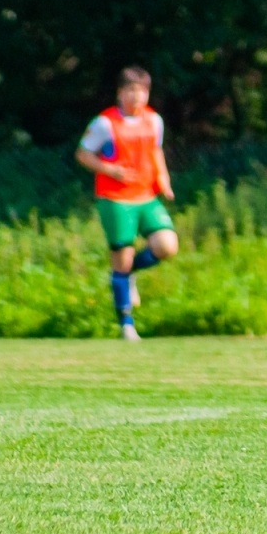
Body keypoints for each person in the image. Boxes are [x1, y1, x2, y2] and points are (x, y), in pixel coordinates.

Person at [75, 67, 178, 340]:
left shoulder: (154, 121)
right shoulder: (105, 124)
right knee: (121, 258)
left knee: (167, 245)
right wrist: (111, 170)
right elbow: (83, 155)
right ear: (120, 93)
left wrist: (164, 180)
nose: (137, 96)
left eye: (142, 91)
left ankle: (130, 272)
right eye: (131, 90)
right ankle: (127, 325)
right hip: (116, 200)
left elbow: (155, 151)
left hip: (146, 196)